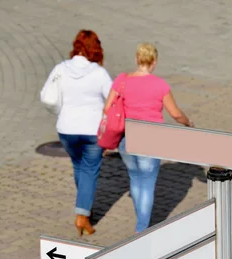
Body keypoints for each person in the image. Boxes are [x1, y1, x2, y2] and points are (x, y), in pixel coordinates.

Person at [103, 43, 193, 233]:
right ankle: (141, 229)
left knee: (135, 179)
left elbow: (107, 107)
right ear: (154, 62)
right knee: (148, 184)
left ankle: (141, 221)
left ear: (137, 59)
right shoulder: (160, 85)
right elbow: (175, 114)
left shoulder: (122, 81)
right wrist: (188, 123)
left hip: (126, 136)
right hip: (150, 137)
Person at [41, 29, 112, 236]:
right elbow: (111, 99)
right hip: (92, 131)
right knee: (90, 171)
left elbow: (48, 95)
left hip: (66, 130)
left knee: (79, 167)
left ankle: (85, 211)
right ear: (96, 49)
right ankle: (82, 215)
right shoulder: (99, 73)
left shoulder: (60, 69)